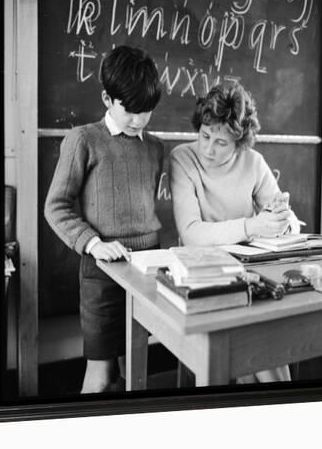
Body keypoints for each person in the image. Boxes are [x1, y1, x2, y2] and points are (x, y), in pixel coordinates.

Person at [44, 45, 164, 393]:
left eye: (148, 111)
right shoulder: (83, 140)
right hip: (102, 272)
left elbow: (147, 205)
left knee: (136, 368)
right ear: (107, 98)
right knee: (102, 373)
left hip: (146, 268)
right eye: (131, 110)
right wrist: (94, 244)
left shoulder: (155, 147)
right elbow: (56, 206)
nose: (139, 120)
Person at [169, 82, 299, 383]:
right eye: (204, 135)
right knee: (252, 350)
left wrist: (283, 219)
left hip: (249, 272)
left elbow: (289, 219)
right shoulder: (182, 158)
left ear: (240, 143)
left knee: (260, 346)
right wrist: (252, 226)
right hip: (203, 276)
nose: (208, 149)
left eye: (221, 143)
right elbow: (190, 233)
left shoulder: (253, 162)